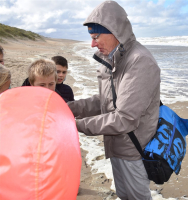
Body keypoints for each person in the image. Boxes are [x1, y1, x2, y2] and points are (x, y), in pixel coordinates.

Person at [67, 1, 161, 199]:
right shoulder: (111, 58)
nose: (92, 44)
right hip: (116, 143)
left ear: (114, 31)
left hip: (133, 149)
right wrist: (68, 109)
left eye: (95, 37)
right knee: (123, 194)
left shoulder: (139, 61)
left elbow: (125, 118)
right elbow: (104, 101)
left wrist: (74, 125)